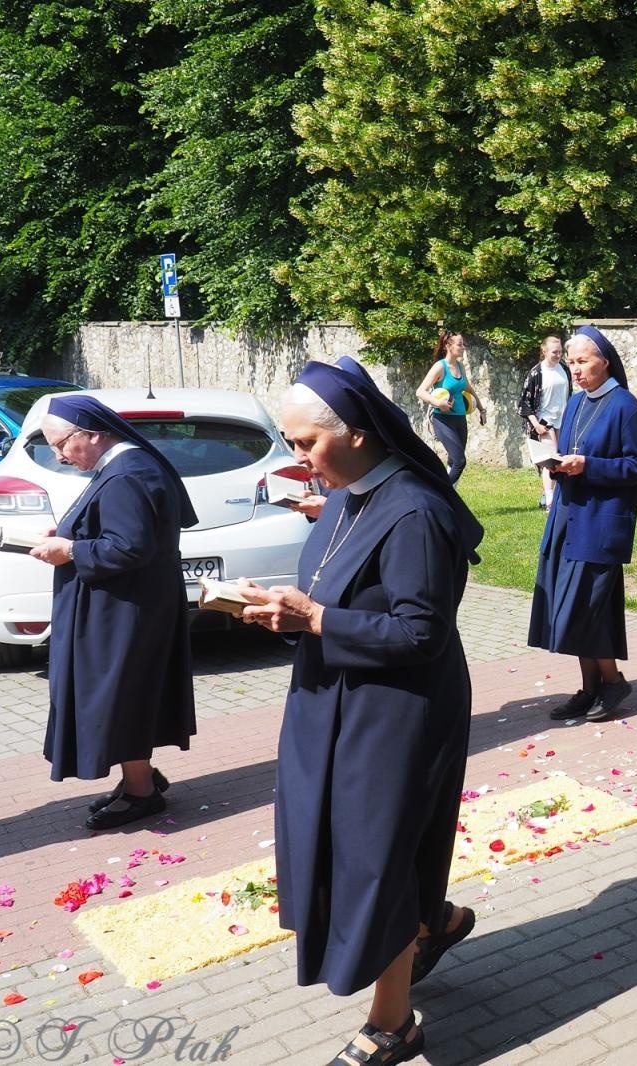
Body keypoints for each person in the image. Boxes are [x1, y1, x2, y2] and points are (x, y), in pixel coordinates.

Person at [241, 356, 485, 1066]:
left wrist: (317, 620)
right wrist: (285, 612)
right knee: (355, 849)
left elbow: (420, 632)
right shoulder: (346, 497)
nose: (298, 458)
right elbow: (334, 594)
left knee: (377, 858)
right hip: (335, 701)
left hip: (396, 713)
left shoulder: (415, 510)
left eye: (306, 443)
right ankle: (434, 921)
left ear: (354, 433)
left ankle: (393, 1024)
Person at [29, 396, 196, 831]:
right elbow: (117, 530)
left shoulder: (128, 473)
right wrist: (70, 533)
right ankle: (138, 779)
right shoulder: (125, 467)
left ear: (92, 433)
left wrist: (70, 550)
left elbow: (129, 547)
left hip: (125, 611)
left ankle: (141, 793)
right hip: (126, 606)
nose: (60, 456)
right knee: (124, 692)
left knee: (121, 696)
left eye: (61, 444)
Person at [530, 325, 637, 723]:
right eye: (571, 362)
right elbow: (570, 450)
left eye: (583, 361)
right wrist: (557, 463)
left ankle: (612, 682)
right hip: (568, 515)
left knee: (588, 607)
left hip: (600, 522)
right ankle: (589, 687)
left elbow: (636, 467)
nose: (575, 370)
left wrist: (588, 465)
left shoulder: (626, 407)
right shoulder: (576, 402)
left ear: (605, 361)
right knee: (573, 605)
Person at [415, 329, 487, 484]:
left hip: (460, 419)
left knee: (453, 461)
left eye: (463, 344)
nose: (463, 347)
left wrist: (482, 409)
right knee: (460, 461)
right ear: (448, 346)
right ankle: (441, 492)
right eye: (460, 344)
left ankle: (449, 495)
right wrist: (438, 403)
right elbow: (420, 391)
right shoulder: (440, 367)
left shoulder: (460, 366)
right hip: (442, 419)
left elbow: (468, 388)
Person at [516, 333, 571, 509]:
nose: (558, 355)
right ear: (544, 351)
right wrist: (536, 425)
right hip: (544, 422)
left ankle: (549, 494)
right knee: (551, 459)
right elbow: (524, 403)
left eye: (560, 351)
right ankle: (549, 502)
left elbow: (569, 395)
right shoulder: (536, 373)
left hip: (563, 420)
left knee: (561, 458)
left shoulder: (565, 370)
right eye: (554, 352)